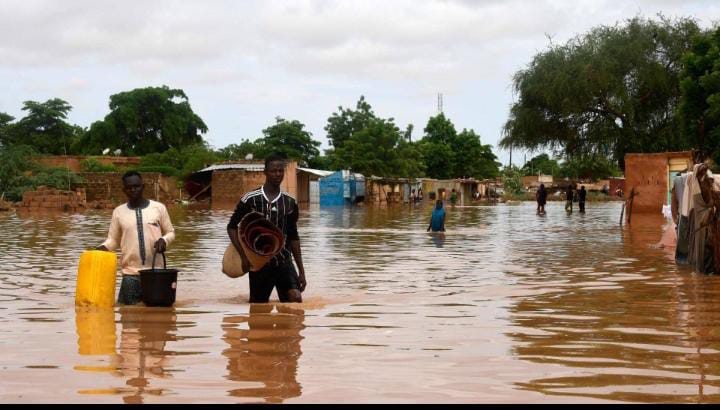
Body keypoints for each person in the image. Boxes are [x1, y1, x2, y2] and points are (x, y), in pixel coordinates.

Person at [226, 152, 307, 303]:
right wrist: (243, 256)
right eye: (273, 171)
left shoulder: (290, 202)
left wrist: (301, 271)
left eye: (281, 170)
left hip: (284, 261)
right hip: (259, 264)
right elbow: (231, 227)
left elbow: (293, 236)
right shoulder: (250, 199)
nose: (278, 174)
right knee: (257, 309)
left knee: (295, 300)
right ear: (265, 172)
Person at [96, 171, 175, 305]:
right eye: (129, 187)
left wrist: (164, 240)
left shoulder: (158, 208)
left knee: (158, 320)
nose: (133, 190)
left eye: (136, 186)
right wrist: (103, 247)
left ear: (143, 187)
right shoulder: (118, 212)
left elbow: (171, 232)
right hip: (130, 274)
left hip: (156, 274)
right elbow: (113, 240)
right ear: (124, 190)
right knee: (128, 316)